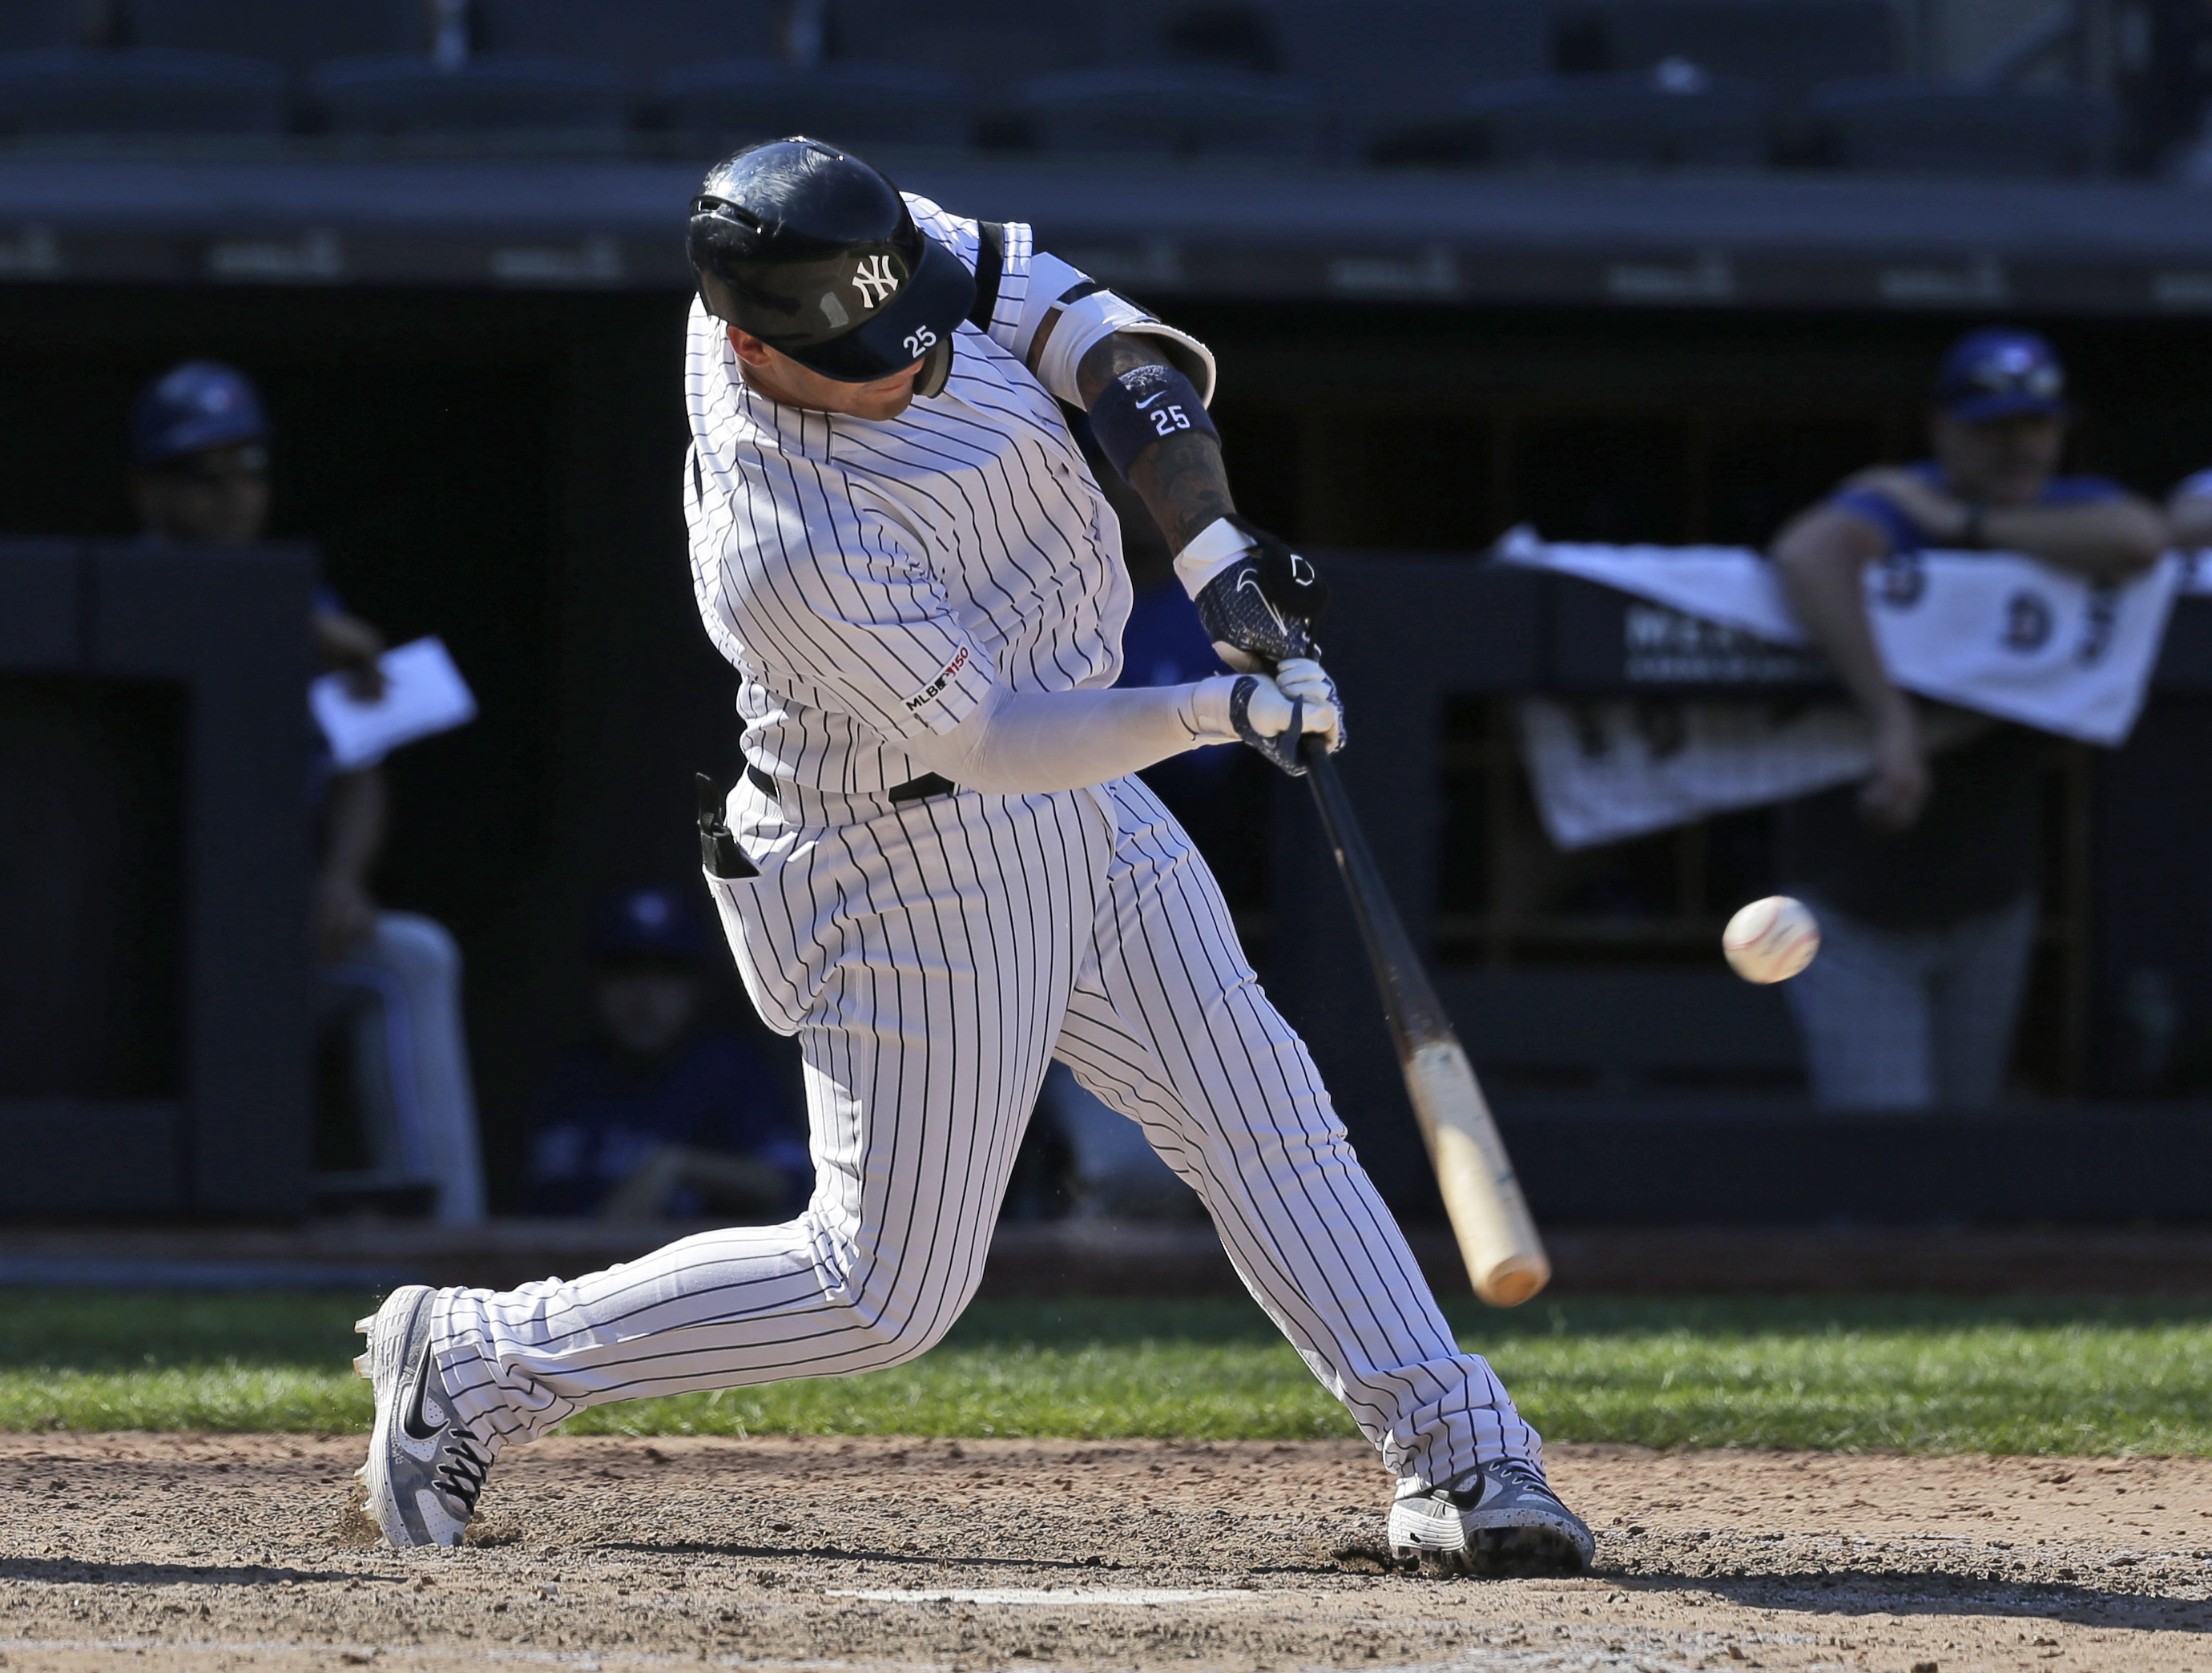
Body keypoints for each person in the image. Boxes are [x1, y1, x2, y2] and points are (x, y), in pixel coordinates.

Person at [352, 139, 1593, 1578]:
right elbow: (997, 737)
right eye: (872, 353)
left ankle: (1459, 1448)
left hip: (1080, 788)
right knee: (881, 1291)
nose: (922, 356)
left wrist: (1218, 571)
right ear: (751, 345)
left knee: (1261, 1107)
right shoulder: (784, 535)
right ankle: (478, 1356)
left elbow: (1110, 352)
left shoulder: (851, 246)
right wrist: (1214, 705)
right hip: (909, 854)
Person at [1767, 328, 2165, 1109]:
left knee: (1963, 1142)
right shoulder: (1900, 500)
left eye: (2035, 424)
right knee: (1887, 1158)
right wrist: (1891, 721)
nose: (2018, 446)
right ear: (1943, 428)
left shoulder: (2054, 509)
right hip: (1857, 894)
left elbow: (2138, 537)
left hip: (1989, 895)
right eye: (1992, 427)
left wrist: (1969, 530)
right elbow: (1807, 553)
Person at [131, 361, 486, 1223]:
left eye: (249, 469)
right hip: (135, 941)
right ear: (150, 490)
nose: (233, 495)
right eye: (204, 475)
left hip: (263, 931)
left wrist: (341, 879)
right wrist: (300, 625)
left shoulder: (303, 601)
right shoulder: (124, 586)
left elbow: (361, 767)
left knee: (409, 958)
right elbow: (189, 614)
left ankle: (446, 1236)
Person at [526, 885, 810, 1220]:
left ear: (699, 987)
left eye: (668, 972)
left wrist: (678, 1165)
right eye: (626, 970)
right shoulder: (569, 1078)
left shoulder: (729, 1072)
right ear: (595, 983)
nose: (645, 996)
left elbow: (790, 1183)